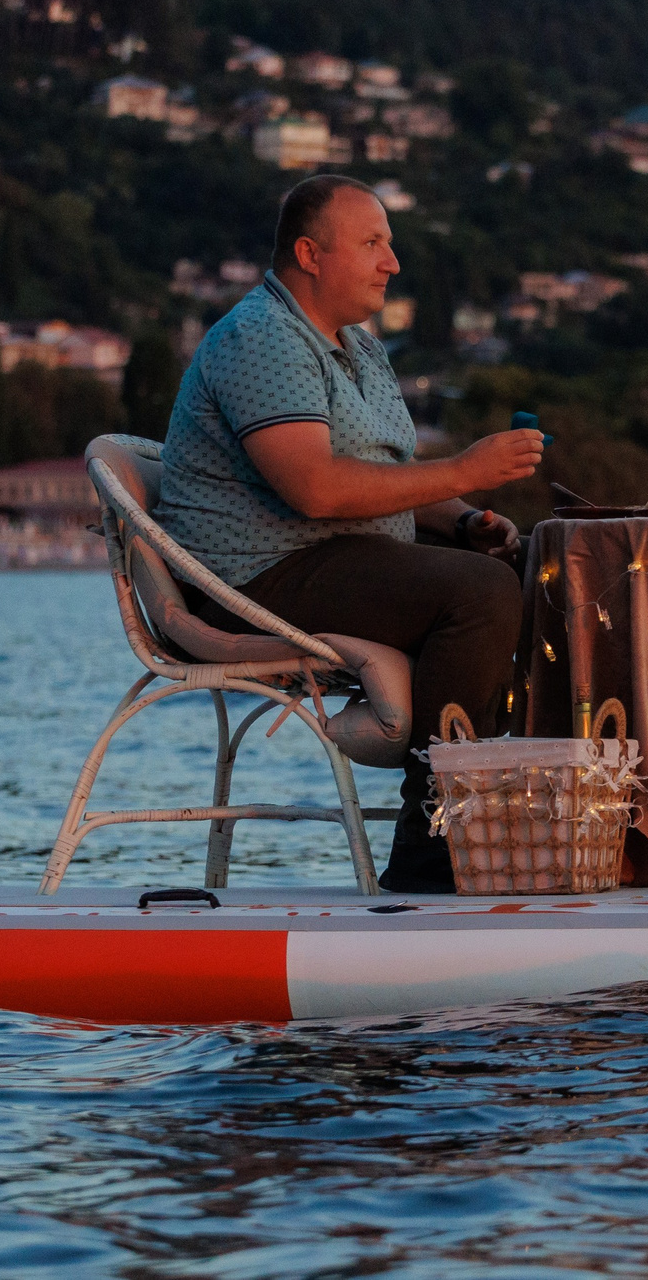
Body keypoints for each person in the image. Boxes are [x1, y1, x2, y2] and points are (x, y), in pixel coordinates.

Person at [155, 174, 546, 892]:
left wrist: (462, 517)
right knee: (481, 593)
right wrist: (465, 468)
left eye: (389, 245)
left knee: (533, 567)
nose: (392, 262)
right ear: (309, 253)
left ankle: (539, 817)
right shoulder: (263, 337)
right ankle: (434, 848)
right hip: (253, 578)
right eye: (372, 243)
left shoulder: (359, 350)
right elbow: (316, 487)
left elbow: (377, 476)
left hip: (338, 558)